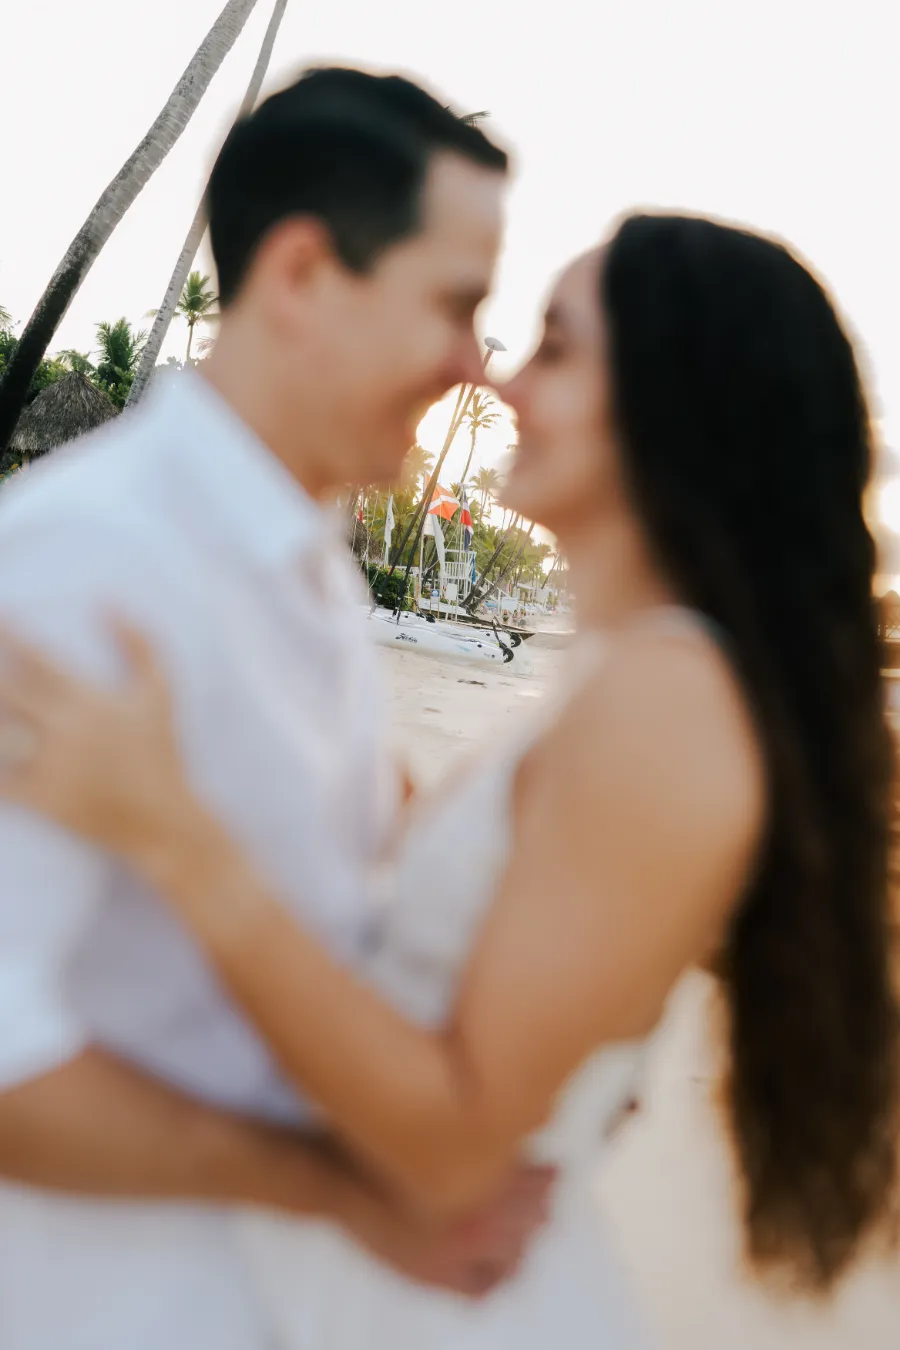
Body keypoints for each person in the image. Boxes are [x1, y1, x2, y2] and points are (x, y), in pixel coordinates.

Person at [2, 213, 897, 1348]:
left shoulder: (666, 703)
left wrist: (173, 832)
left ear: (679, 404)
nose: (501, 384)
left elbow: (452, 1151)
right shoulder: (623, 680)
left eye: (556, 350)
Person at [0, 68, 557, 1350]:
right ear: (302, 274)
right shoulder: (88, 564)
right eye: (454, 306)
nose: (473, 365)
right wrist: (333, 1189)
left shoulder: (308, 558)